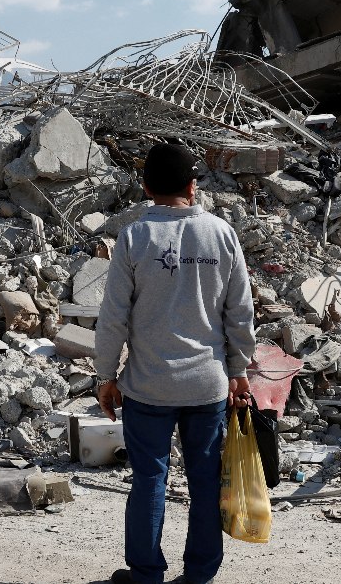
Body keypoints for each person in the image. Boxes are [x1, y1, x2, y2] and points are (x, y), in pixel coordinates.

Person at [94, 143, 257, 584]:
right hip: (207, 385)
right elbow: (240, 312)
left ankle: (146, 574)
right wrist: (240, 370)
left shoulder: (133, 237)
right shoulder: (221, 234)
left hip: (149, 386)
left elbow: (113, 317)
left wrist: (106, 375)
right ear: (193, 186)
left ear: (146, 187)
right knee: (206, 481)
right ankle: (200, 574)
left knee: (149, 479)